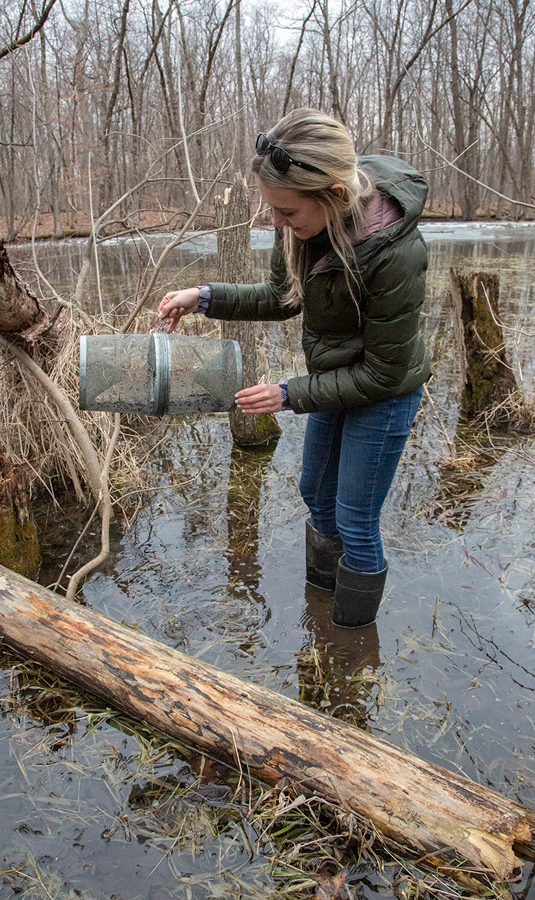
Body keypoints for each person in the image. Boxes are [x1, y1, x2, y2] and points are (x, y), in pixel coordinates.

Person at [157, 108, 430, 628]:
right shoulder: (303, 228)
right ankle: (319, 610)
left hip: (384, 392)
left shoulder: (397, 253)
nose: (276, 222)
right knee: (314, 492)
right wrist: (204, 297)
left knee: (355, 518)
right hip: (333, 382)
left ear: (333, 194)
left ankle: (348, 646)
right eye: (271, 209)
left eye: (286, 212)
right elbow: (284, 297)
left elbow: (383, 374)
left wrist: (287, 394)